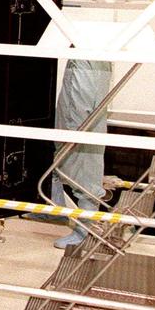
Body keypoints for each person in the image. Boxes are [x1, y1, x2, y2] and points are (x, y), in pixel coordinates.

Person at [49, 59, 113, 249]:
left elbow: (78, 107)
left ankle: (85, 229)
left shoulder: (90, 48)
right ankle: (54, 206)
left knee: (79, 152)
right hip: (89, 63)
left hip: (86, 65)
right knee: (67, 144)